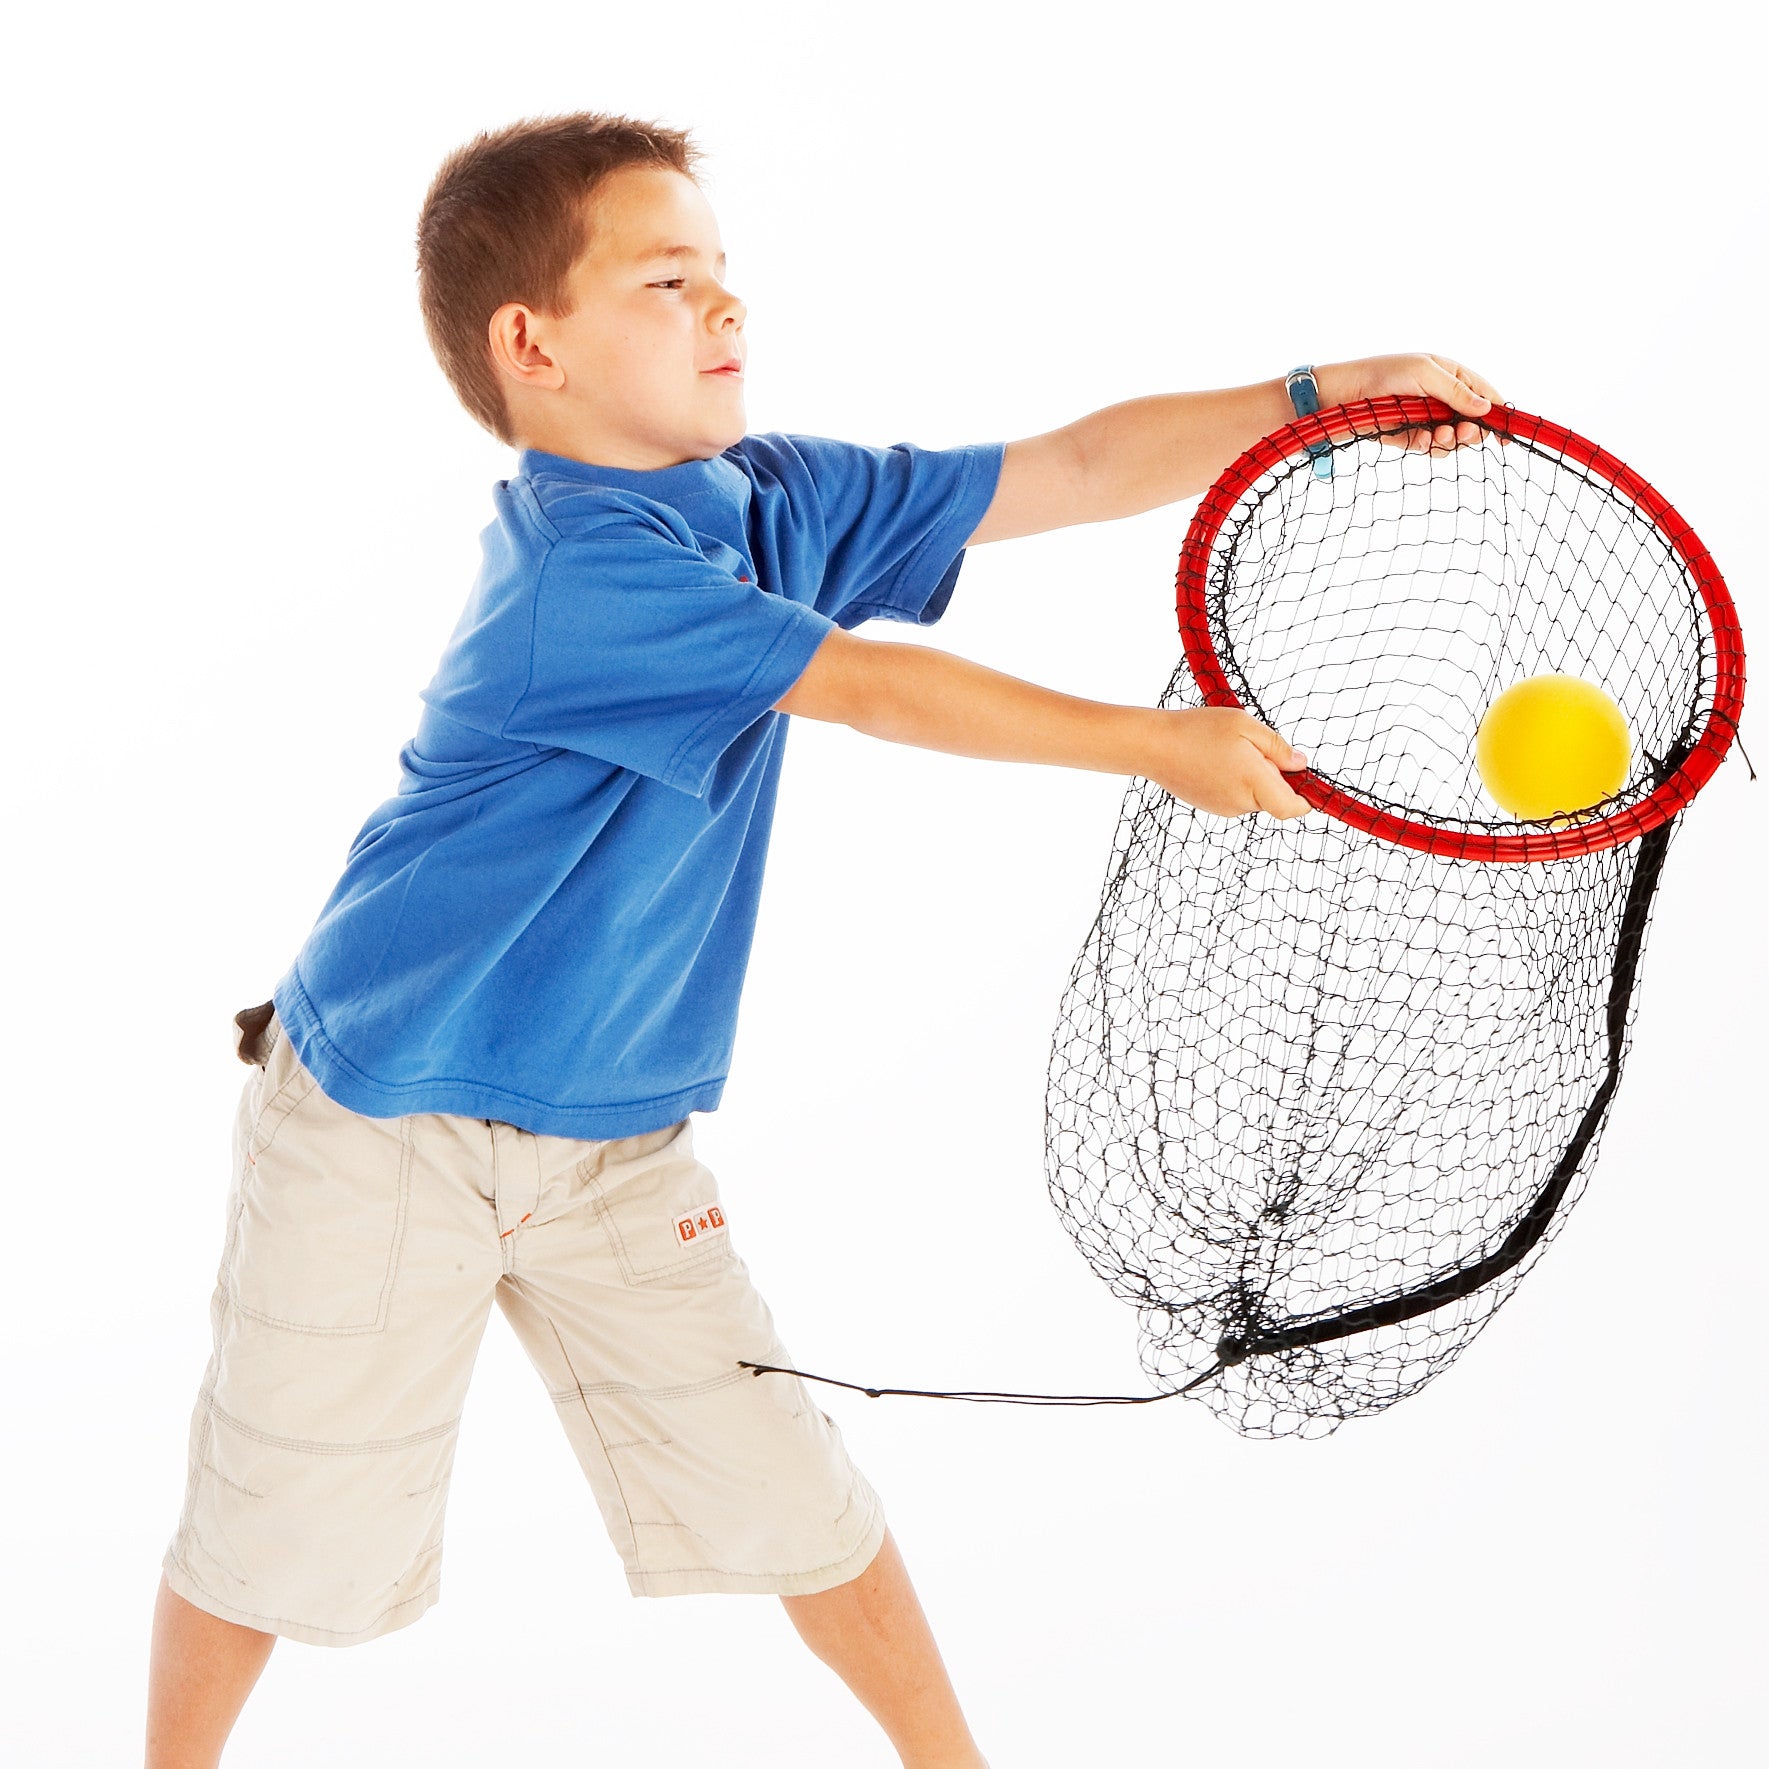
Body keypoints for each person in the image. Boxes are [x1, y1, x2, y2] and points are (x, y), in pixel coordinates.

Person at [145, 110, 1501, 1769]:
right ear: (534, 343)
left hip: (611, 1142)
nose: (723, 309)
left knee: (793, 1487)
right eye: (666, 280)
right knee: (280, 1521)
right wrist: (1160, 744)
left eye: (723, 276)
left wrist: (1309, 402)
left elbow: (1067, 469)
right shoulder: (578, 570)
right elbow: (862, 688)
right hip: (380, 1121)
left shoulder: (776, 499)